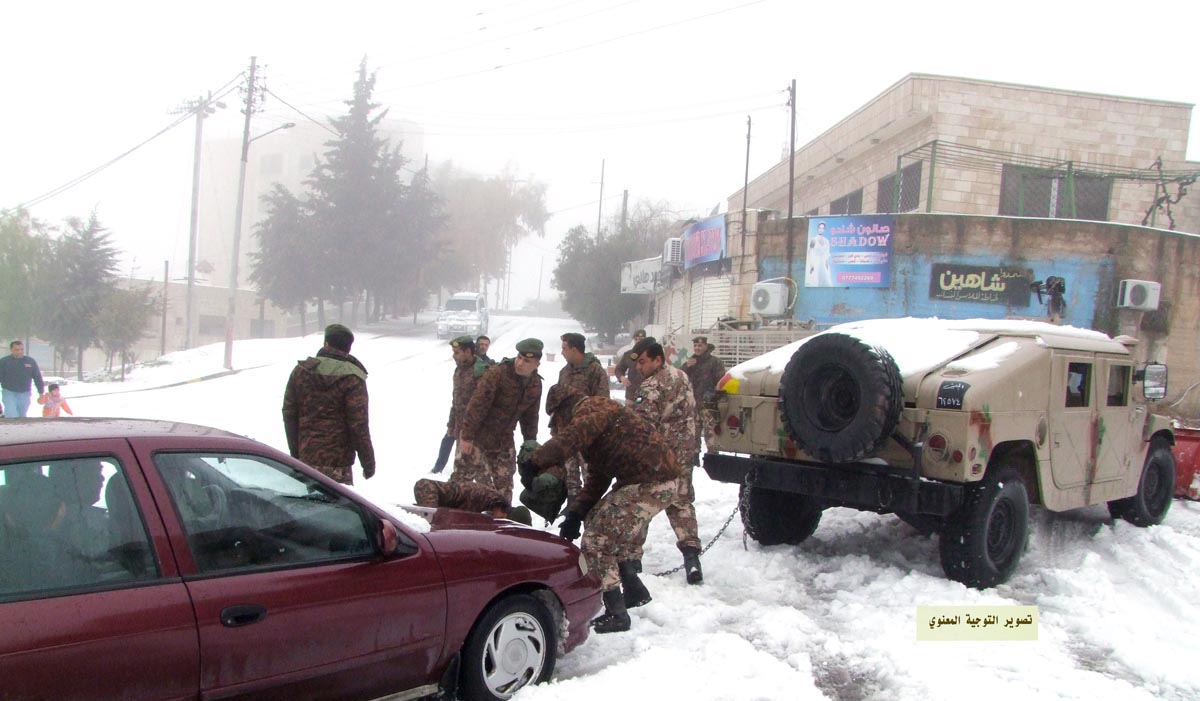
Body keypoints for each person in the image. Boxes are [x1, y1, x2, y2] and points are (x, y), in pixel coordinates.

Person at [524, 384, 681, 634]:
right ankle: (633, 590)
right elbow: (598, 477)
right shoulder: (595, 427)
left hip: (652, 482)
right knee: (597, 518)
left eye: (557, 421)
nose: (558, 427)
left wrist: (536, 460)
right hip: (648, 480)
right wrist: (576, 513)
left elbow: (572, 437)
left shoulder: (592, 409)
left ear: (564, 409)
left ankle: (617, 613)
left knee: (597, 540)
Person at [632, 341, 703, 585]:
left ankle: (632, 563)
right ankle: (692, 559)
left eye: (643, 362)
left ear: (657, 360)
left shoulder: (650, 386)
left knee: (642, 503)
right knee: (681, 503)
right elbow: (693, 411)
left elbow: (642, 428)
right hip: (683, 452)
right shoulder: (682, 376)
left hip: (658, 457)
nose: (639, 367)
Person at [282, 324, 376, 485]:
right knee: (337, 508)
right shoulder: (353, 377)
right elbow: (358, 424)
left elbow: (289, 413)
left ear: (326, 343)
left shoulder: (301, 371)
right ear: (348, 348)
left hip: (307, 459)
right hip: (339, 465)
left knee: (305, 507)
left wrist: (296, 452)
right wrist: (368, 463)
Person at [453, 338, 544, 503]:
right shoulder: (498, 373)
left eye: (527, 361)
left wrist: (530, 443)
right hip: (478, 437)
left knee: (504, 488)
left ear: (536, 364)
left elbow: (531, 416)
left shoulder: (535, 384)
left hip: (503, 441)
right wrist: (466, 436)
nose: (520, 363)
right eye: (519, 358)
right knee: (460, 483)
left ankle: (499, 522)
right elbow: (477, 405)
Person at [554, 332, 610, 501]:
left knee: (590, 478)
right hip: (567, 434)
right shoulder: (564, 372)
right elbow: (558, 402)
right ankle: (571, 511)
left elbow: (602, 404)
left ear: (574, 349)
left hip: (588, 437)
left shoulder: (595, 371)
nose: (562, 352)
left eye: (564, 348)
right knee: (570, 478)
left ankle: (589, 515)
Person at [432, 336, 489, 474]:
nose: (453, 355)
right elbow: (456, 401)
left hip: (477, 432)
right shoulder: (459, 371)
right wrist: (452, 425)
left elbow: (483, 405)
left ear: (468, 351)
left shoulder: (481, 372)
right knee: (462, 473)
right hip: (461, 429)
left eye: (457, 352)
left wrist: (469, 433)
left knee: (481, 475)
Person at [413, 478, 531, 524]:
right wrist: (432, 514)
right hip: (427, 491)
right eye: (503, 520)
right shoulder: (475, 493)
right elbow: (424, 485)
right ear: (503, 513)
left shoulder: (490, 509)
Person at [683, 335, 726, 459]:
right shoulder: (691, 361)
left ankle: (712, 458)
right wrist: (687, 366)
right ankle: (694, 457)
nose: (697, 348)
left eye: (700, 345)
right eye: (695, 345)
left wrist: (717, 399)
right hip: (694, 404)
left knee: (710, 433)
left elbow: (721, 381)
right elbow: (680, 377)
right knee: (693, 433)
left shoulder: (715, 362)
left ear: (706, 346)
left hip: (708, 405)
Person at [0, 340, 45, 419]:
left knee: (21, 416)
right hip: (9, 392)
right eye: (17, 350)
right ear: (11, 350)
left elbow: (37, 377)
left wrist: (41, 392)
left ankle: (19, 430)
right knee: (11, 414)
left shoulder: (30, 361)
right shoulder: (4, 362)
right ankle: (11, 430)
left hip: (25, 393)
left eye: (21, 349)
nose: (20, 352)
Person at [613, 330, 650, 403]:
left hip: (646, 394)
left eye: (641, 339)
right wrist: (622, 378)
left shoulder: (650, 356)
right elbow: (619, 369)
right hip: (631, 394)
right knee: (629, 413)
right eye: (636, 339)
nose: (638, 341)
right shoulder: (629, 354)